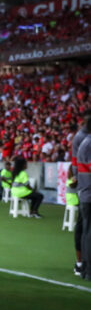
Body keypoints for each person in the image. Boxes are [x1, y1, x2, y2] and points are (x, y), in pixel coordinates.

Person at [72, 110, 91, 279]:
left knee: (85, 229)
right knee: (85, 229)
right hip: (86, 191)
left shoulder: (83, 140)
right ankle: (83, 265)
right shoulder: (84, 140)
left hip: (83, 190)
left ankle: (84, 266)